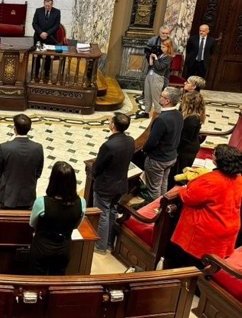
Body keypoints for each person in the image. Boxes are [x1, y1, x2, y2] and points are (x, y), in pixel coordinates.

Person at [164, 144, 242, 270]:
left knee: (188, 262)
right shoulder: (239, 179)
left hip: (205, 231)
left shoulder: (211, 180)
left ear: (218, 160)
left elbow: (189, 197)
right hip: (229, 226)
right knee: (210, 263)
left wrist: (182, 190)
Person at [29, 161, 86, 275]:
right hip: (63, 248)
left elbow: (32, 224)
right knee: (57, 278)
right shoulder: (82, 203)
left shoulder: (42, 202)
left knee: (37, 279)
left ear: (53, 181)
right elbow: (76, 226)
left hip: (42, 247)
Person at [91, 112, 135, 253]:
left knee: (103, 214)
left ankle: (100, 246)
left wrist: (94, 175)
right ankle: (109, 243)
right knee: (112, 211)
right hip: (120, 185)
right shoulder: (130, 141)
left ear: (113, 125)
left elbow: (98, 167)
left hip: (105, 186)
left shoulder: (108, 146)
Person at [0, 113, 44, 210]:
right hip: (28, 198)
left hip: (6, 198)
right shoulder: (38, 148)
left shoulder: (4, 147)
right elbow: (38, 172)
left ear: (14, 128)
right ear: (29, 129)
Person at [142, 86, 184, 201]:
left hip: (158, 159)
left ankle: (154, 211)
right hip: (171, 157)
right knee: (163, 182)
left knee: (154, 187)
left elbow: (152, 142)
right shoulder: (179, 114)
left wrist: (144, 149)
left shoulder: (162, 119)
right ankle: (163, 204)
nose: (159, 97)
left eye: (162, 96)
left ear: (167, 101)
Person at [170, 91, 206, 187]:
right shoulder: (195, 115)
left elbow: (184, 139)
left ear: (189, 104)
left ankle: (176, 191)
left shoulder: (191, 120)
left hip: (186, 150)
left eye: (183, 100)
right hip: (190, 146)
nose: (181, 102)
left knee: (180, 172)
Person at [136, 37, 174, 120]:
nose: (161, 48)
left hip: (157, 78)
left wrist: (155, 59)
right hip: (150, 75)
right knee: (147, 96)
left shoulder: (169, 57)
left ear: (169, 48)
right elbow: (152, 65)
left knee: (156, 98)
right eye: (161, 46)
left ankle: (158, 116)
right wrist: (151, 58)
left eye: (163, 47)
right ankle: (146, 112)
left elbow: (159, 67)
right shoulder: (161, 55)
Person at [31, 0, 61, 78]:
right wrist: (41, 33)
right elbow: (34, 24)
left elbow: (56, 26)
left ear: (52, 4)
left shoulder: (57, 12)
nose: (47, 7)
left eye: (49, 6)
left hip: (50, 38)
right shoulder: (38, 11)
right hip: (38, 37)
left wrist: (47, 33)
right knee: (37, 56)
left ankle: (46, 73)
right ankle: (35, 73)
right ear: (44, 3)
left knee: (48, 57)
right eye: (46, 5)